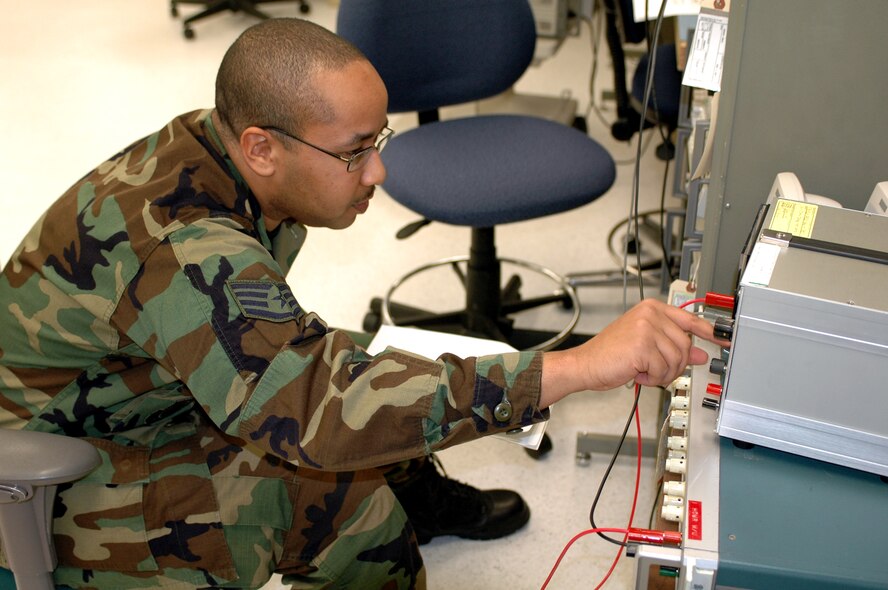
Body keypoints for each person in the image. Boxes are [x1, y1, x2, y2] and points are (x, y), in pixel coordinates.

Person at [0, 17, 721, 590]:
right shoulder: (188, 246)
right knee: (342, 504)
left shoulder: (228, 146)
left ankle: (417, 491)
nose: (378, 169)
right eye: (353, 152)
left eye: (378, 139)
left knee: (358, 373)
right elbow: (317, 410)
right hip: (49, 471)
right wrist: (574, 368)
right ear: (261, 147)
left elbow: (305, 366)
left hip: (136, 396)